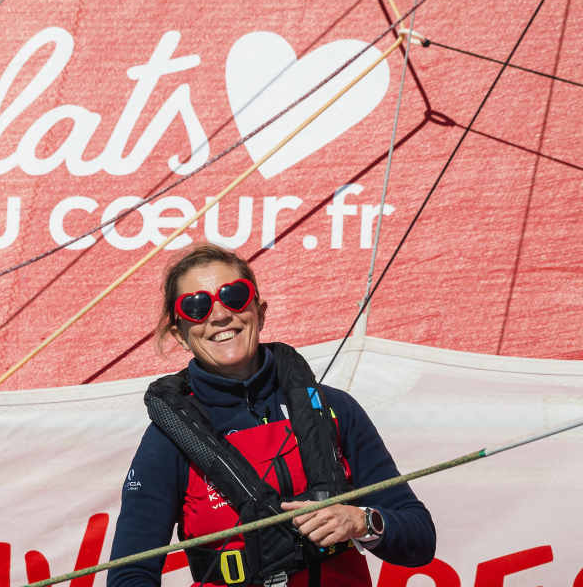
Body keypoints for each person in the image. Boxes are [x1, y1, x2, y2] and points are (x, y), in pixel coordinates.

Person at [108, 244, 435, 587]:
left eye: (234, 296)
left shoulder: (337, 410)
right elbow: (129, 575)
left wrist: (363, 522)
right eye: (196, 306)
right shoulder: (168, 438)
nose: (219, 315)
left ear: (259, 312)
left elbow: (420, 539)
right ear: (180, 335)